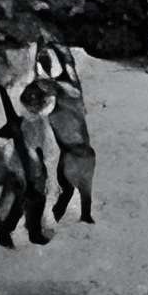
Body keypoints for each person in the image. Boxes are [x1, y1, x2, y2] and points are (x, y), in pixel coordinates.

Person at [0, 81, 57, 249]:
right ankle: (5, 231)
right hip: (19, 171)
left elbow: (48, 150)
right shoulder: (20, 122)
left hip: (34, 172)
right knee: (16, 203)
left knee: (35, 202)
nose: (34, 107)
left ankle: (32, 232)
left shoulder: (40, 123)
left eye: (37, 102)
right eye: (32, 102)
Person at [37, 43, 96, 226]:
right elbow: (68, 66)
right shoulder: (66, 90)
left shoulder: (56, 91)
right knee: (78, 189)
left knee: (73, 189)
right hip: (78, 150)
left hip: (75, 150)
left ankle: (66, 215)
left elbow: (67, 68)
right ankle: (74, 215)